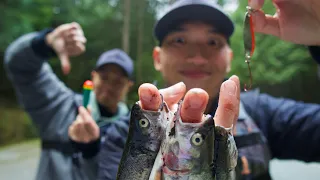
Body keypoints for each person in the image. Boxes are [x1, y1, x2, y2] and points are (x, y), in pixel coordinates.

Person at [70, 0, 320, 179]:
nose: (198, 56)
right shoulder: (124, 135)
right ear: (157, 57)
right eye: (179, 40)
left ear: (230, 56)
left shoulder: (263, 113)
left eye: (213, 42)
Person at [4, 22, 134, 180]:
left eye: (118, 82)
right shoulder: (60, 106)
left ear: (129, 86)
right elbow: (18, 66)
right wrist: (45, 43)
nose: (109, 87)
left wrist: (91, 150)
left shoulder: (132, 131)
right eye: (104, 78)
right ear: (93, 76)